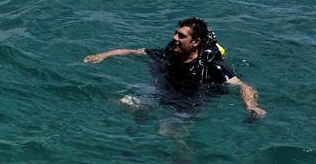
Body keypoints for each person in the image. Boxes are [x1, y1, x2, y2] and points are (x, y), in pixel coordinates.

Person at [84, 17, 266, 122]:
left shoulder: (211, 66)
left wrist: (252, 105)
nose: (175, 38)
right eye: (175, 33)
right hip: (165, 91)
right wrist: (104, 55)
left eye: (181, 35)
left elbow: (243, 85)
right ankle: (136, 137)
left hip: (190, 102)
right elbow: (133, 51)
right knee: (121, 103)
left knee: (168, 131)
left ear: (195, 42)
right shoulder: (169, 54)